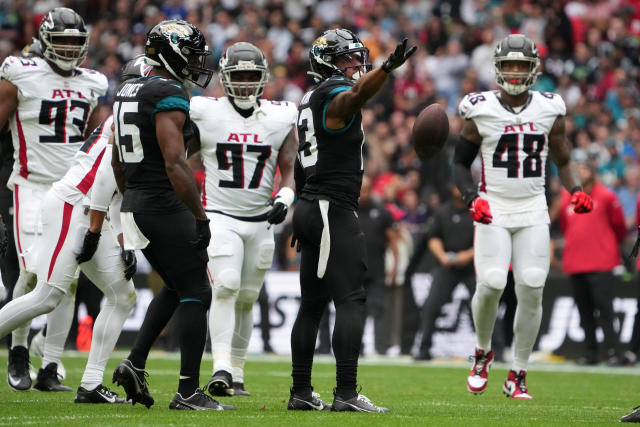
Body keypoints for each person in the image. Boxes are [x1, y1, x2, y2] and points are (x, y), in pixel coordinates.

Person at [0, 56, 148, 402]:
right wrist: (102, 231)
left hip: (89, 207)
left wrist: (122, 236)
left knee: (122, 296)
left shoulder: (130, 117)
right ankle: (29, 355)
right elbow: (106, 177)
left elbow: (116, 190)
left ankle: (91, 384)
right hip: (72, 203)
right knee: (48, 294)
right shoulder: (134, 119)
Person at [454, 34, 593, 399]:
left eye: (521, 65)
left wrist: (576, 189)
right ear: (498, 69)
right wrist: (471, 198)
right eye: (509, 65)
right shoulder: (479, 108)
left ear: (534, 69)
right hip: (493, 205)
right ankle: (483, 351)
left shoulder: (549, 108)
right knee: (493, 283)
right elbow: (457, 163)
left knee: (532, 284)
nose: (515, 72)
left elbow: (563, 159)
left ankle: (518, 372)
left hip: (532, 207)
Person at [110, 20, 234, 411]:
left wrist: (133, 194)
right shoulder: (167, 91)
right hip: (162, 202)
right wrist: (199, 216)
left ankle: (135, 361)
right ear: (170, 52)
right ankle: (187, 391)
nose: (198, 62)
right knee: (198, 289)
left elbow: (117, 159)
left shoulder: (130, 89)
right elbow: (175, 163)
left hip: (136, 200)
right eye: (192, 54)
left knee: (178, 286)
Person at [289, 28, 415, 413]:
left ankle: (300, 392)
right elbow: (358, 94)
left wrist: (300, 207)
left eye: (359, 59)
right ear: (327, 63)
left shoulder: (308, 100)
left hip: (313, 204)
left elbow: (299, 163)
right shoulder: (332, 95)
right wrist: (388, 68)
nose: (357, 65)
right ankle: (345, 393)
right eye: (348, 59)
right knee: (350, 298)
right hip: (331, 206)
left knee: (312, 304)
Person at [0, 7, 107, 391]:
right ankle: (17, 352)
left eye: (74, 42)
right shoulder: (19, 72)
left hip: (72, 190)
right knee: (32, 275)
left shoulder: (93, 82)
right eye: (60, 40)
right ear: (45, 40)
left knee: (68, 280)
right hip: (31, 185)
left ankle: (50, 366)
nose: (67, 48)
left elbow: (98, 143)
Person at [188, 41, 297, 397]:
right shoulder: (204, 111)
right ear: (225, 78)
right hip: (219, 216)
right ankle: (220, 366)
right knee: (228, 284)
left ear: (263, 77)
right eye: (240, 76)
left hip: (261, 219)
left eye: (253, 76)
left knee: (248, 297)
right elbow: (181, 158)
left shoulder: (281, 115)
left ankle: (237, 370)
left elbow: (290, 167)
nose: (247, 83)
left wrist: (286, 194)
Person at [558, 156, 626, 365]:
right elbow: (564, 224)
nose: (580, 171)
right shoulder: (565, 197)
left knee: (605, 309)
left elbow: (620, 227)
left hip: (601, 262)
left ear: (592, 172)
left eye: (584, 168)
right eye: (577, 168)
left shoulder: (606, 195)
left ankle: (613, 352)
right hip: (576, 262)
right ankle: (590, 353)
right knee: (584, 311)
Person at [415, 185, 475, 361]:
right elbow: (433, 237)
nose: (459, 189)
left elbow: (487, 237)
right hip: (447, 266)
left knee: (484, 307)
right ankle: (424, 349)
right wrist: (442, 256)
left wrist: (468, 255)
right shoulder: (442, 211)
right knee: (431, 306)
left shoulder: (477, 209)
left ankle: (494, 351)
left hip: (472, 266)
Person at [357, 175, 398, 355]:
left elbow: (393, 242)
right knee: (356, 311)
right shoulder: (348, 211)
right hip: (354, 271)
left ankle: (381, 347)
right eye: (360, 189)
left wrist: (395, 266)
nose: (363, 194)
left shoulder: (382, 212)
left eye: (366, 189)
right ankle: (356, 348)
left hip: (377, 270)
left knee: (380, 308)